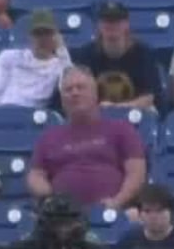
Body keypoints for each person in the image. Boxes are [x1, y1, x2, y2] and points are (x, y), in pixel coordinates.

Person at [28, 66, 147, 209]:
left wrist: (117, 201)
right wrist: (49, 197)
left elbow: (136, 172)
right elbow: (36, 174)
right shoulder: (48, 137)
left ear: (95, 94)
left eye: (81, 87)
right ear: (62, 100)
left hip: (112, 211)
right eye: (68, 90)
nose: (74, 93)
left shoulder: (121, 130)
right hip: (63, 214)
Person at [0, 9, 72, 111]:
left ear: (55, 37)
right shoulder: (9, 57)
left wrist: (62, 49)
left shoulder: (59, 66)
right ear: (30, 36)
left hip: (32, 116)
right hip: (3, 111)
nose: (42, 39)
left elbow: (70, 86)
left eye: (47, 33)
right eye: (38, 33)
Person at [116, 183, 174, 249]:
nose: (153, 216)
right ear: (139, 214)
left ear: (171, 212)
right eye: (147, 211)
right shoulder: (129, 240)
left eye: (159, 210)